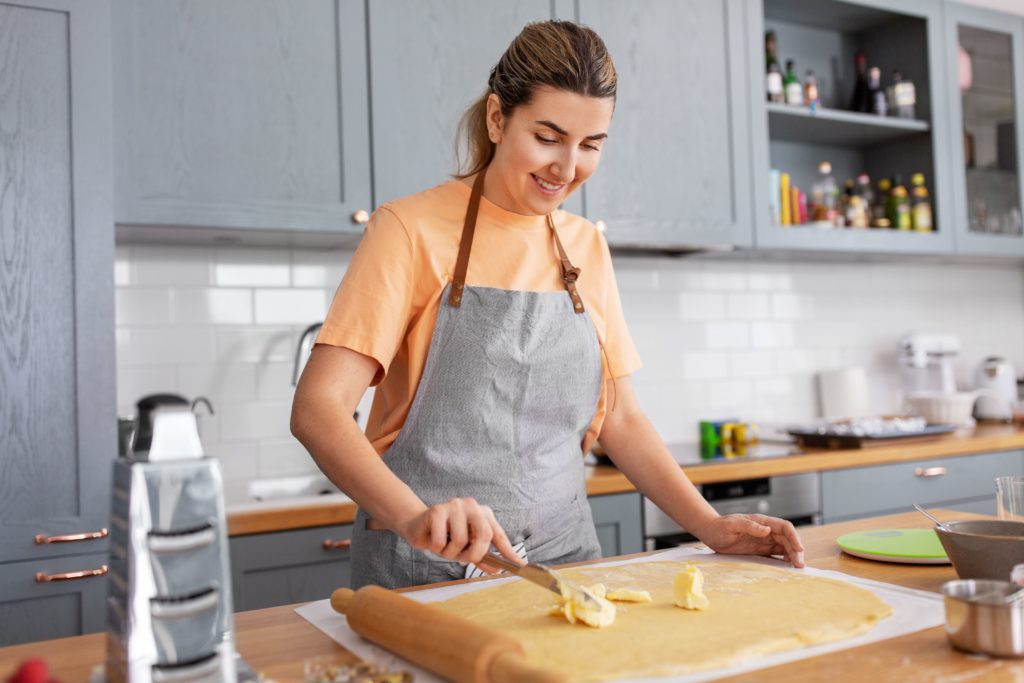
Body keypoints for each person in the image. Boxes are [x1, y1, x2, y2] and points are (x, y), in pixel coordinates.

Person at [291, 20, 805, 590]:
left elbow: (621, 418)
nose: (567, 168)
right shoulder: (408, 229)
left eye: (590, 145)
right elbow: (318, 408)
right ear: (496, 119)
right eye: (547, 137)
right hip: (429, 573)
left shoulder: (586, 245)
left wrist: (710, 525)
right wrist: (413, 517)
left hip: (568, 566)